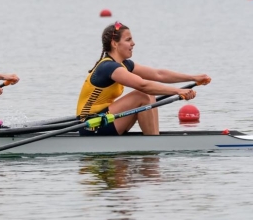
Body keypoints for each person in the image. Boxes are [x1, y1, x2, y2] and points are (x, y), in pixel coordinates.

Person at [76, 21, 211, 136]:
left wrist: (193, 78)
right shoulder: (108, 67)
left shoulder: (124, 64)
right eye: (128, 40)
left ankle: (153, 137)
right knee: (142, 95)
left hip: (104, 119)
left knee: (147, 95)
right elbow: (143, 85)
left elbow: (159, 74)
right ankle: (153, 143)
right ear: (115, 44)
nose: (133, 43)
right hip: (90, 125)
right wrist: (178, 91)